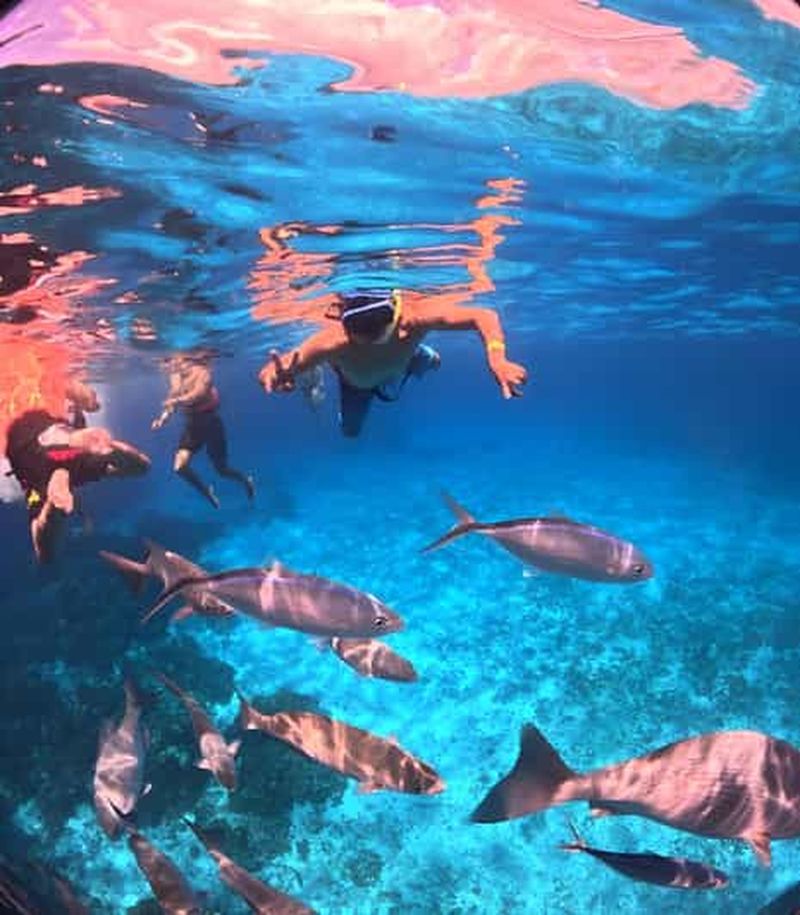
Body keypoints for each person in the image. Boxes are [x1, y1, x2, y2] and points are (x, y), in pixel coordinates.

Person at [257, 289, 527, 437]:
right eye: (354, 336)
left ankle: (422, 356)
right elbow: (276, 367)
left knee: (431, 361)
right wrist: (274, 375)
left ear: (394, 321)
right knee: (350, 432)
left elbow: (484, 316)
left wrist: (497, 358)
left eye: (370, 337)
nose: (359, 342)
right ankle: (318, 369)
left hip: (403, 360)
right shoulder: (332, 340)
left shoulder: (415, 317)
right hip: (357, 385)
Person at [4, 381, 150, 563]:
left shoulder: (31, 488)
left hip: (39, 453)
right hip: (55, 447)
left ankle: (54, 505)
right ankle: (95, 445)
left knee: (45, 552)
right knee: (139, 468)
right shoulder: (38, 484)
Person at [152, 352, 254, 507]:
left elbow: (198, 394)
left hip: (211, 425)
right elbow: (171, 399)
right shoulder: (175, 377)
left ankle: (245, 480)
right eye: (170, 363)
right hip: (193, 427)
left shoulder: (202, 372)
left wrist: (177, 400)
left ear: (185, 359)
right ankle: (206, 491)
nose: (172, 366)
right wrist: (162, 419)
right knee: (179, 467)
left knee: (222, 470)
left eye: (175, 361)